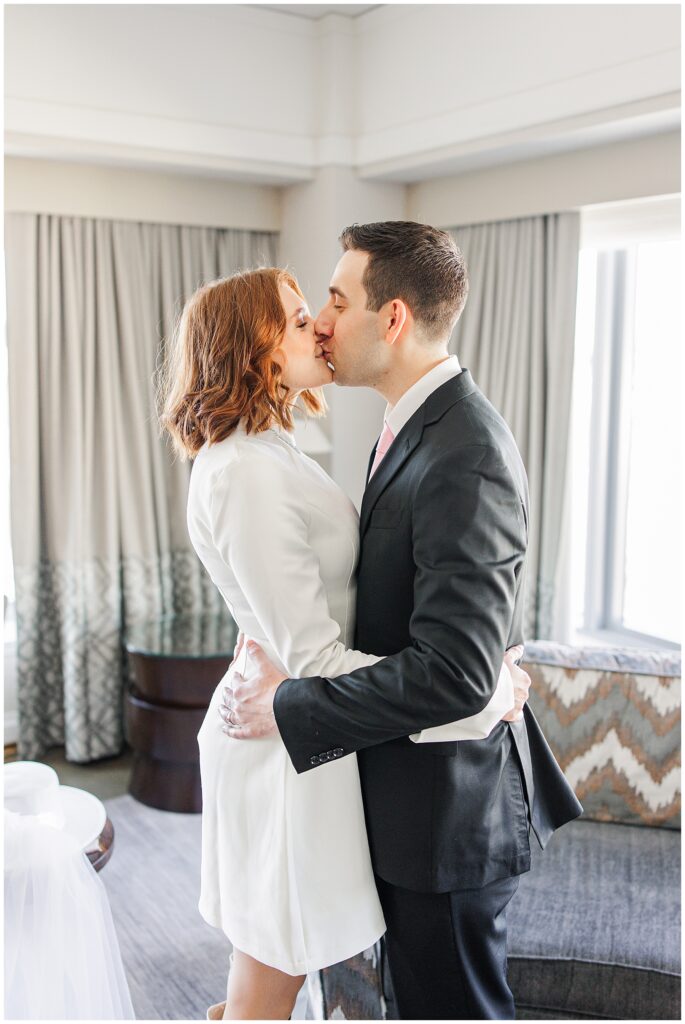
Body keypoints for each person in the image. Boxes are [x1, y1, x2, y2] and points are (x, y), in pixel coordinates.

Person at [220, 223, 583, 1020]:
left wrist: (290, 704)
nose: (320, 319)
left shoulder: (465, 450)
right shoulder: (405, 427)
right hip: (406, 797)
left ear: (389, 319)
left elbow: (452, 674)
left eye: (337, 300)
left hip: (447, 823)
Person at [160, 264, 530, 1021]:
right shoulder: (242, 473)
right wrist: (477, 692)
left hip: (310, 737)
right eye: (299, 320)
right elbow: (316, 658)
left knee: (281, 969)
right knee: (269, 979)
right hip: (285, 754)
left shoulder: (272, 449)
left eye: (321, 309)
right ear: (249, 346)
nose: (319, 328)